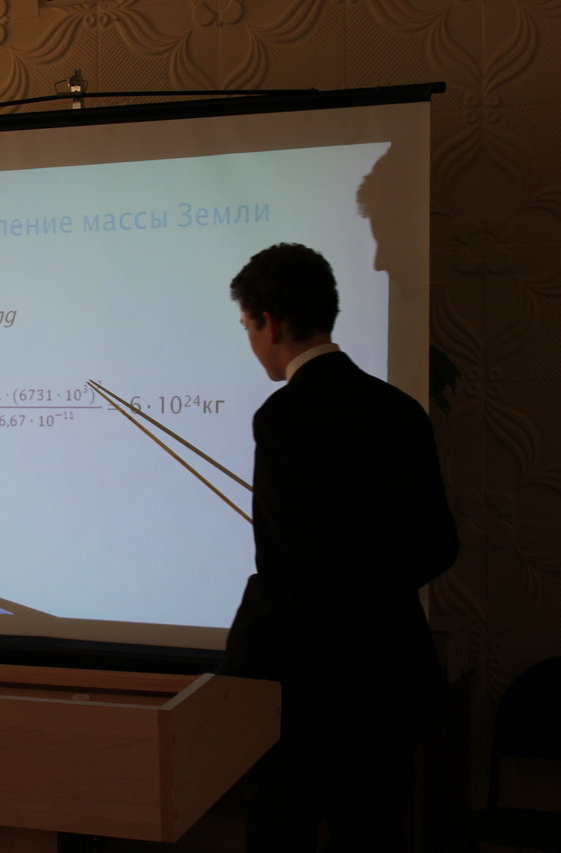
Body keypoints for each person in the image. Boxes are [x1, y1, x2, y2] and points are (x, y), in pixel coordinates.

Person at [220, 244, 458, 852]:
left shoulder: (285, 417)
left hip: (307, 691)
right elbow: (440, 545)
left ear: (270, 322)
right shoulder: (401, 410)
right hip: (391, 679)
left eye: (247, 325)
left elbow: (287, 566)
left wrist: (238, 662)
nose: (252, 340)